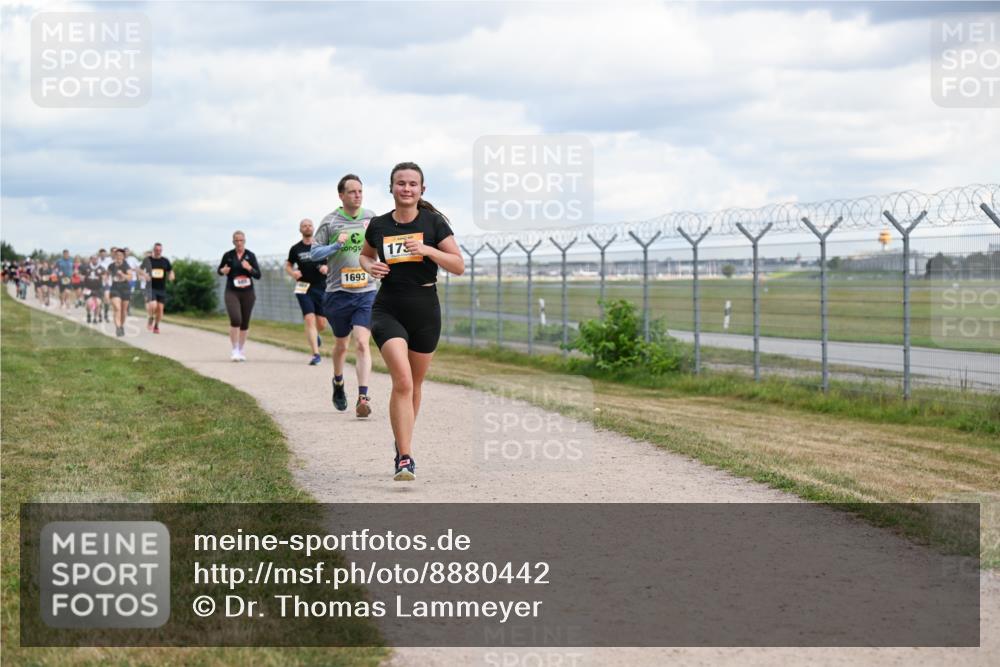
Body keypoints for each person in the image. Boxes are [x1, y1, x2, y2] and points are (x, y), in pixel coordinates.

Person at [359, 162, 464, 480]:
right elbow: (365, 255)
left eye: (412, 184)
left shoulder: (433, 223)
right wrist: (370, 267)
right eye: (401, 183)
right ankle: (405, 459)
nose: (406, 189)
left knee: (415, 385)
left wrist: (428, 250)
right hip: (388, 308)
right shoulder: (378, 225)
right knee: (402, 381)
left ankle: (401, 441)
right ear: (391, 188)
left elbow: (458, 265)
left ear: (422, 189)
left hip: (425, 310)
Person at [311, 174, 378, 416]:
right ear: (341, 195)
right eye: (352, 191)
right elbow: (314, 253)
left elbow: (382, 245)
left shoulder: (371, 218)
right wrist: (335, 247)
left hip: (366, 291)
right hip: (338, 293)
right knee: (342, 344)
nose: (357, 195)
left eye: (360, 191)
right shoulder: (330, 221)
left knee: (362, 342)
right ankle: (338, 382)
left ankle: (363, 397)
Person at [285, 218, 329, 365]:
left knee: (321, 324)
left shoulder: (321, 246)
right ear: (300, 229)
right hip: (303, 286)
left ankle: (315, 335)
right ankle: (316, 354)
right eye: (304, 226)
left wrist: (327, 267)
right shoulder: (296, 248)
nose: (307, 227)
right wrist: (293, 273)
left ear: (313, 228)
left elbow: (333, 261)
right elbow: (288, 265)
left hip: (321, 286)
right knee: (309, 318)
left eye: (309, 225)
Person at [217, 231, 261, 361]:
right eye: (236, 240)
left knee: (245, 322)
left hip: (248, 292)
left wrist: (249, 268)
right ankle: (234, 349)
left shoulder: (250, 255)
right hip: (232, 291)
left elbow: (258, 275)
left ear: (245, 241)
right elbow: (219, 270)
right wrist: (223, 271)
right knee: (236, 319)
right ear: (233, 242)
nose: (239, 243)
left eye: (241, 240)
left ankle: (241, 350)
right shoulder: (228, 255)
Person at [139, 243, 174, 333]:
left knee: (160, 310)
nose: (158, 252)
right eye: (156, 250)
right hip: (150, 287)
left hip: (161, 288)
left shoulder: (165, 260)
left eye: (160, 250)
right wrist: (145, 275)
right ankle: (151, 318)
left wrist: (171, 275)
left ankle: (156, 326)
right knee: (153, 305)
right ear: (153, 250)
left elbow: (170, 270)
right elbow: (140, 269)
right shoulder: (148, 260)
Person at [107, 248, 132, 336]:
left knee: (123, 311)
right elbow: (106, 275)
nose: (118, 256)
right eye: (117, 255)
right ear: (114, 256)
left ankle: (121, 326)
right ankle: (117, 328)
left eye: (120, 255)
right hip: (115, 288)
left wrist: (122, 275)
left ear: (123, 256)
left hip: (125, 288)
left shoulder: (126, 265)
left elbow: (130, 277)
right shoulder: (111, 266)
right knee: (117, 308)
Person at [81, 255, 105, 323]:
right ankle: (88, 314)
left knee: (98, 303)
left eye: (96, 259)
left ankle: (95, 318)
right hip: (88, 288)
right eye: (93, 259)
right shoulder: (86, 268)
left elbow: (104, 277)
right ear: (91, 260)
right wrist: (83, 279)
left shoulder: (101, 268)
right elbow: (82, 276)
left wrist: (103, 278)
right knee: (89, 303)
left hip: (98, 288)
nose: (95, 260)